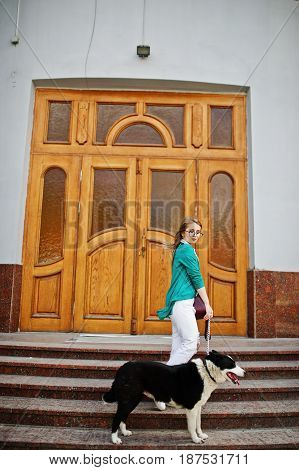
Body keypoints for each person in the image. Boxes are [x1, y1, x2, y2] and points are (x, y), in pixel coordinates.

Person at [155, 217, 213, 410]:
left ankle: (165, 391)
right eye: (192, 231)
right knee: (190, 344)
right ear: (183, 233)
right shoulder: (186, 250)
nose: (195, 235)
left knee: (179, 345)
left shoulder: (184, 249)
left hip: (180, 303)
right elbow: (197, 278)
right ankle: (160, 385)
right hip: (182, 304)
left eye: (198, 232)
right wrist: (207, 304)